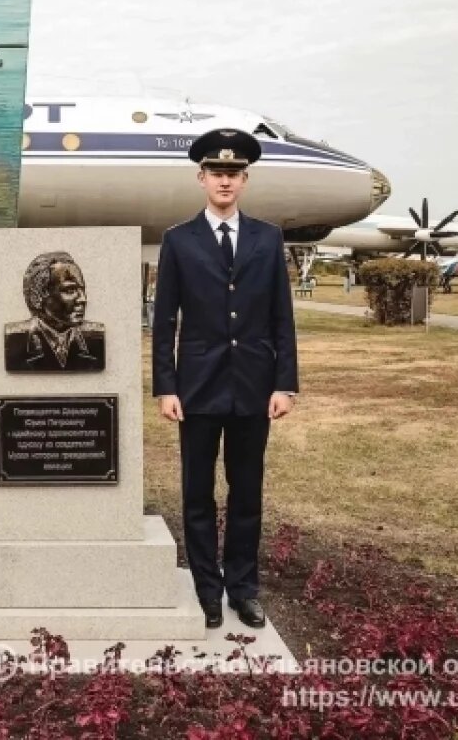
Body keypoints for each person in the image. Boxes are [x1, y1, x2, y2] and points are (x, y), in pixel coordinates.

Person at [151, 128, 298, 630]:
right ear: (201, 178)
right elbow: (164, 319)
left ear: (245, 180)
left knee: (246, 492)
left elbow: (282, 317)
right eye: (216, 173)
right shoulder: (177, 240)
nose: (225, 181)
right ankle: (207, 589)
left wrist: (285, 383)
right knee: (196, 493)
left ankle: (243, 588)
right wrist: (165, 386)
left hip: (254, 389)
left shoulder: (268, 237)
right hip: (196, 389)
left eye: (234, 174)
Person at [4, 251, 105, 371]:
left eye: (82, 290)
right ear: (37, 298)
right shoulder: (16, 339)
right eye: (70, 290)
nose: (83, 299)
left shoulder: (96, 337)